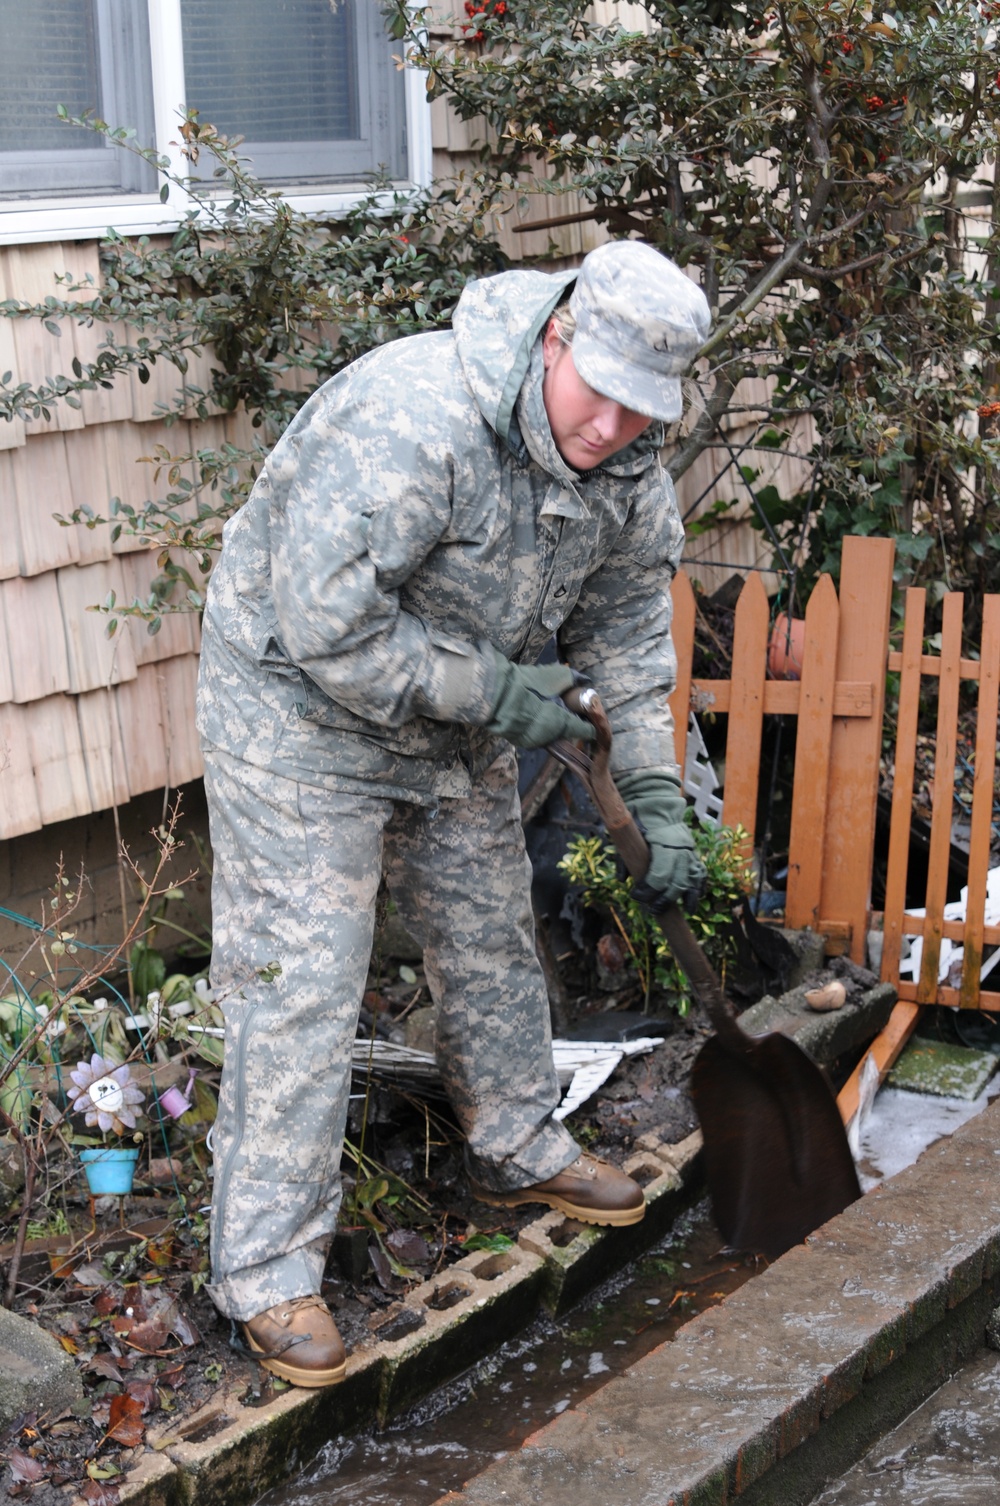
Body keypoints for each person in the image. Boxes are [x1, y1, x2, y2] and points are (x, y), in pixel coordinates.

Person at [195, 238, 711, 1388]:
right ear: (559, 336)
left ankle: (517, 1144)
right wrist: (494, 691)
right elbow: (324, 624)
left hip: (463, 720)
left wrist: (657, 796)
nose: (615, 428)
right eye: (605, 395)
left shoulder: (626, 469)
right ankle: (268, 1273)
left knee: (485, 930)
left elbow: (628, 637)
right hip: (297, 714)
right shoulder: (415, 416)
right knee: (305, 981)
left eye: (644, 411)